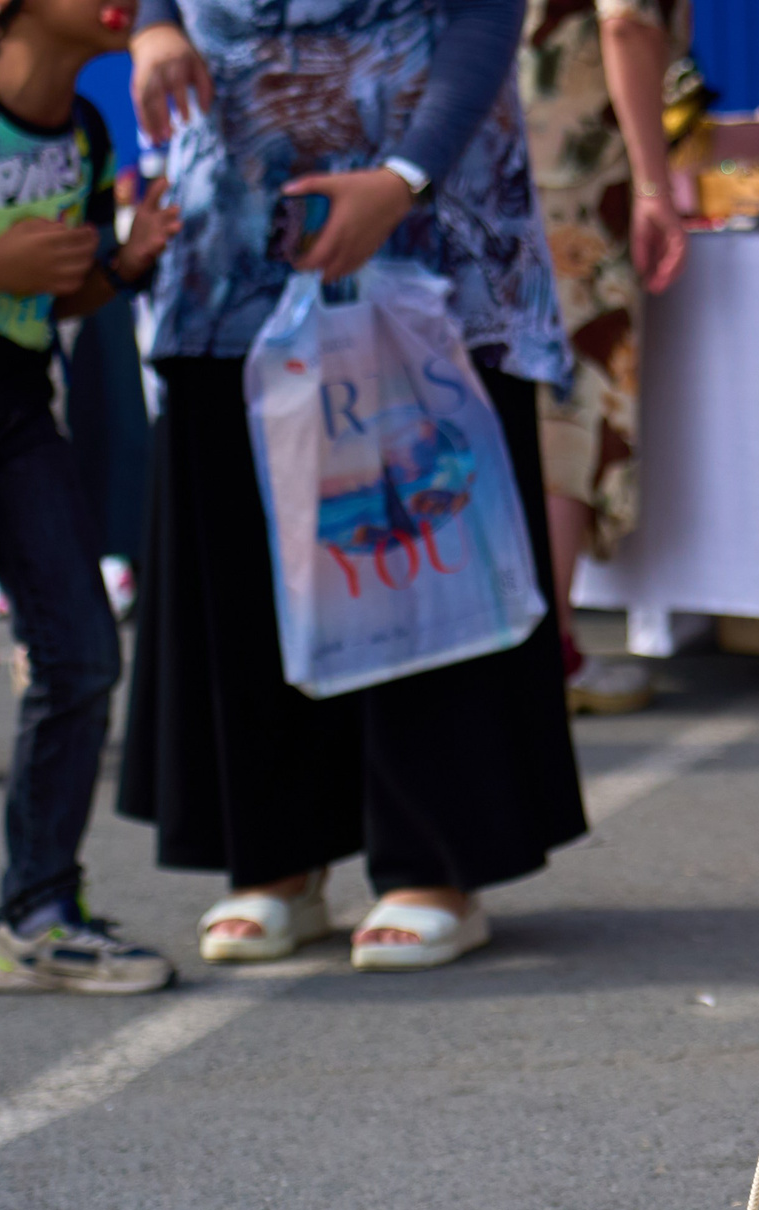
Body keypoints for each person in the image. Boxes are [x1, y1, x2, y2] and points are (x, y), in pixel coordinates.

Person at [117, 0, 588, 971]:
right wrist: (154, 26)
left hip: (424, 221)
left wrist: (403, 179)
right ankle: (275, 861)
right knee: (242, 539)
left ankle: (432, 865)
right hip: (232, 225)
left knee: (414, 532)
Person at [0, 0, 181, 995]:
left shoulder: (88, 134)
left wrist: (126, 263)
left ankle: (40, 914)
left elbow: (58, 295)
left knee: (83, 654)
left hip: (19, 413)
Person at [520, 0, 688, 716]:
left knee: (526, 385)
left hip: (497, 150)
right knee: (570, 395)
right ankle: (549, 643)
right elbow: (626, 22)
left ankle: (527, 638)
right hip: (572, 170)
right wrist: (653, 184)